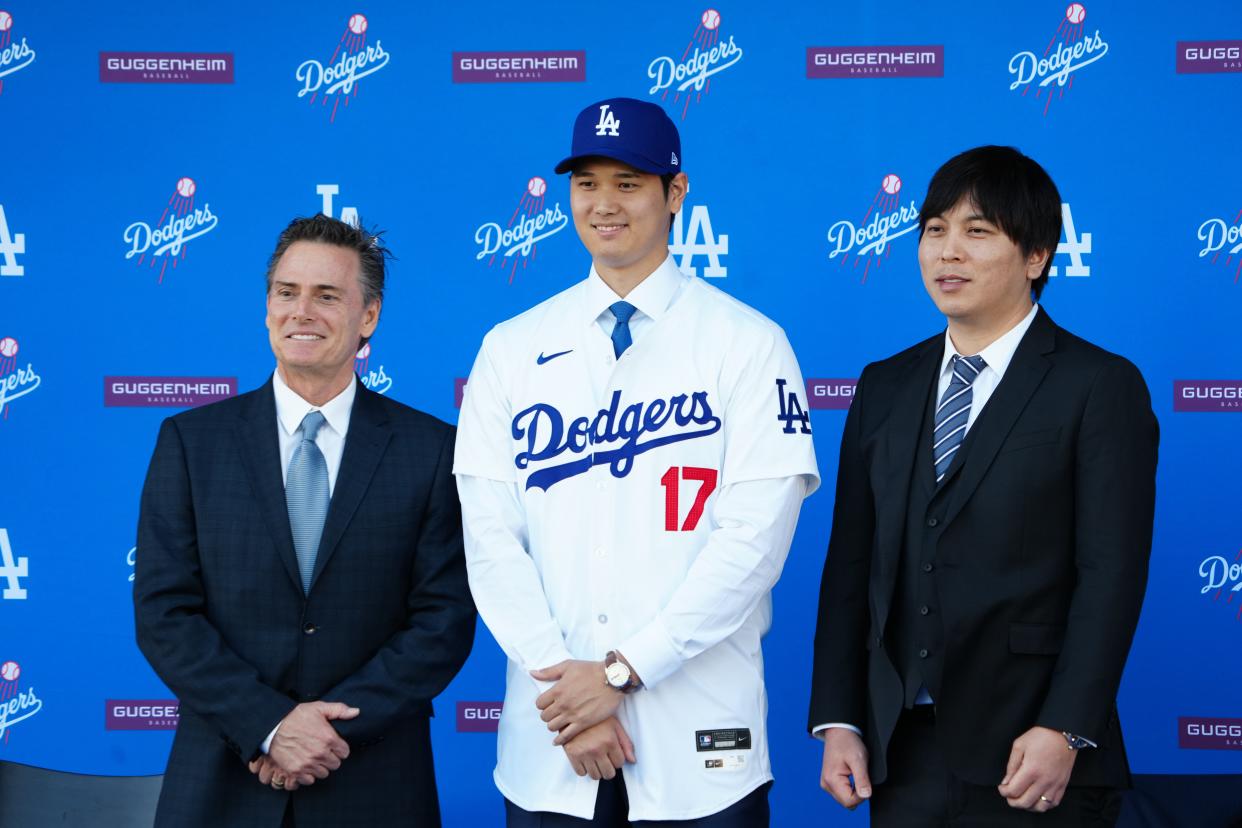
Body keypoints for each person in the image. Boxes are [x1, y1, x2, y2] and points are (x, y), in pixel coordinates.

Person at [454, 97, 819, 826]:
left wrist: (623, 672)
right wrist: (571, 698)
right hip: (554, 740)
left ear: (675, 193)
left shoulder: (749, 342)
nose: (603, 203)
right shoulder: (511, 346)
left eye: (629, 182)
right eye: (586, 183)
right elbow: (490, 542)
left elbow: (753, 545)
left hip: (701, 742)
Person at [808, 145, 1158, 826]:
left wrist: (1067, 728)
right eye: (935, 230)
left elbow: (1111, 574)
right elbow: (850, 567)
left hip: (1034, 757)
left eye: (977, 232)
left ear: (1037, 257)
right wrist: (839, 719)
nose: (948, 253)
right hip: (899, 753)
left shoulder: (1098, 385)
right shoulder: (885, 384)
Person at [134, 214, 476, 828]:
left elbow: (443, 622)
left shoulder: (431, 450)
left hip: (374, 781)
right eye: (287, 293)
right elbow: (164, 614)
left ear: (368, 317)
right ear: (267, 306)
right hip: (222, 779)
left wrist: (321, 733)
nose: (302, 312)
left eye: (327, 296)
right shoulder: (191, 442)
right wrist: (267, 725)